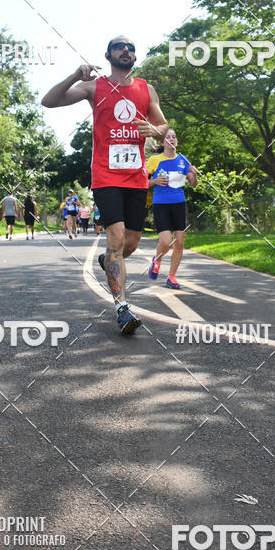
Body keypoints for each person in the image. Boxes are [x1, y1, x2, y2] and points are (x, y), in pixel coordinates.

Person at [42, 35, 168, 335]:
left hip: (136, 177)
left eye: (131, 48)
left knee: (131, 243)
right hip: (106, 175)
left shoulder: (145, 89)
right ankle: (123, 307)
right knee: (116, 235)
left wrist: (155, 129)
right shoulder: (95, 86)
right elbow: (49, 101)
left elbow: (164, 128)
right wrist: (75, 74)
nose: (127, 50)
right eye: (120, 47)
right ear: (109, 54)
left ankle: (108, 261)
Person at [147, 128, 198, 288]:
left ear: (176, 141)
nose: (171, 139)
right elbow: (140, 182)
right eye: (168, 137)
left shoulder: (183, 160)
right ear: (163, 142)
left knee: (180, 242)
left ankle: (172, 277)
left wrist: (194, 174)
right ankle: (157, 260)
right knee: (166, 241)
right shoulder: (154, 160)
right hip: (160, 204)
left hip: (178, 203)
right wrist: (154, 182)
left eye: (174, 137)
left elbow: (193, 184)